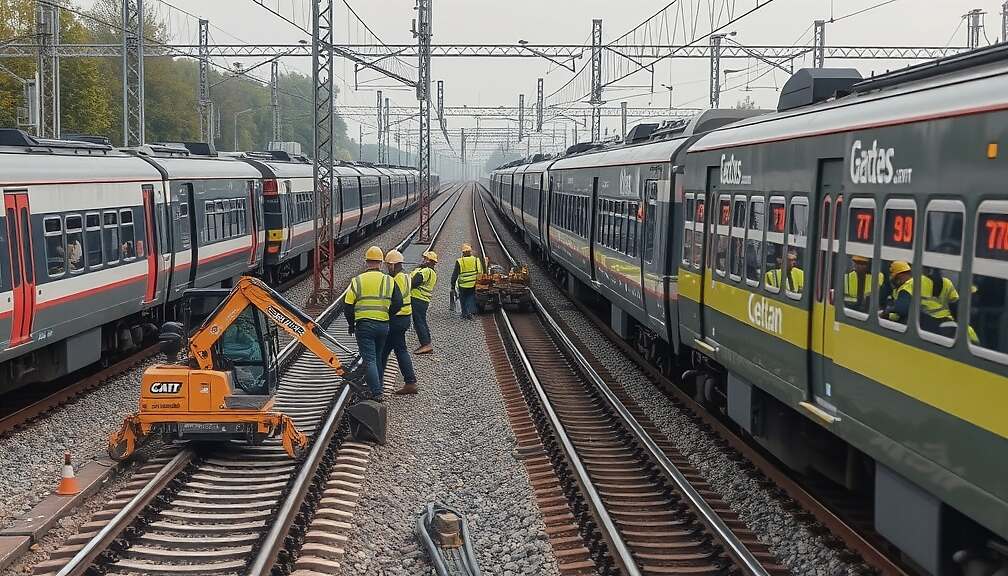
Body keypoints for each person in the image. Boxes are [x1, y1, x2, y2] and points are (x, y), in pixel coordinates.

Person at [344, 246, 402, 400]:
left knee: (369, 359)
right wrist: (386, 314)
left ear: (366, 262)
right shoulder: (389, 280)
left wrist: (351, 324)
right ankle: (377, 386)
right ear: (381, 263)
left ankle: (376, 392)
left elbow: (348, 305)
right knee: (377, 356)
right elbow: (398, 302)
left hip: (364, 326)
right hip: (383, 326)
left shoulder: (357, 281)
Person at [881, 261, 958, 338]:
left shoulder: (911, 284)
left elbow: (902, 309)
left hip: (928, 325)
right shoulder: (947, 282)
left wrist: (889, 311)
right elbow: (956, 306)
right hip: (948, 323)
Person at [380, 249, 419, 396]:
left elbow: (395, 300)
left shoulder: (398, 279)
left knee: (398, 350)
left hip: (397, 318)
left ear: (392, 265)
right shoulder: (406, 275)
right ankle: (379, 381)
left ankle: (410, 382)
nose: (387, 268)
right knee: (387, 350)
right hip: (404, 318)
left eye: (388, 265)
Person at [410, 250, 438, 354]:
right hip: (423, 300)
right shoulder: (432, 272)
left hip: (418, 299)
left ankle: (425, 344)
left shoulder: (426, 271)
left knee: (419, 322)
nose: (423, 260)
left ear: (430, 261)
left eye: (425, 258)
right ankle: (427, 343)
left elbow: (414, 282)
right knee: (422, 321)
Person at [452, 243, 484, 319]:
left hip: (462, 284)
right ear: (470, 252)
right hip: (473, 283)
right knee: (471, 297)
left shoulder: (459, 261)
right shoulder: (476, 260)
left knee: (462, 298)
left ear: (463, 253)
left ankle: (464, 314)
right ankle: (470, 312)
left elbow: (455, 274)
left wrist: (452, 285)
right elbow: (480, 272)